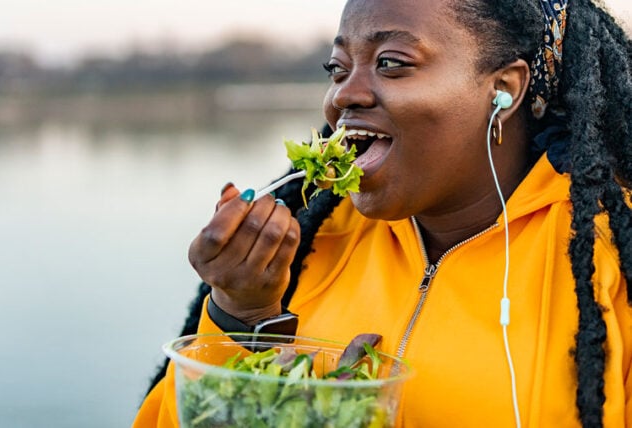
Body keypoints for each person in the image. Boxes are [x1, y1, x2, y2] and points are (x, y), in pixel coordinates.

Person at [133, 0, 632, 426]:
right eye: (338, 68)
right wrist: (242, 316)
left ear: (504, 89)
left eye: (391, 63)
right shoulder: (309, 245)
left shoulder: (608, 261)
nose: (344, 94)